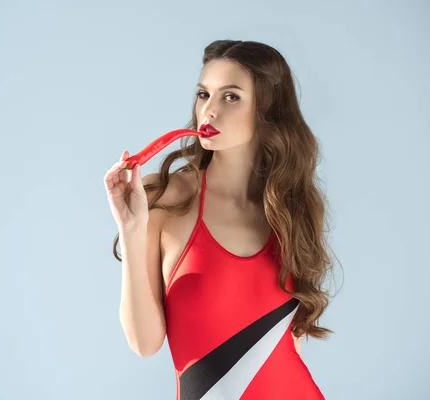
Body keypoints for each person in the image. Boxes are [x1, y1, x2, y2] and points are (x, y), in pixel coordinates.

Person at [104, 39, 334, 399]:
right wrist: (131, 230)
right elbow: (144, 343)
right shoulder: (165, 198)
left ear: (266, 110)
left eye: (230, 97)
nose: (208, 111)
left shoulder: (290, 208)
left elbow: (290, 343)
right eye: (203, 94)